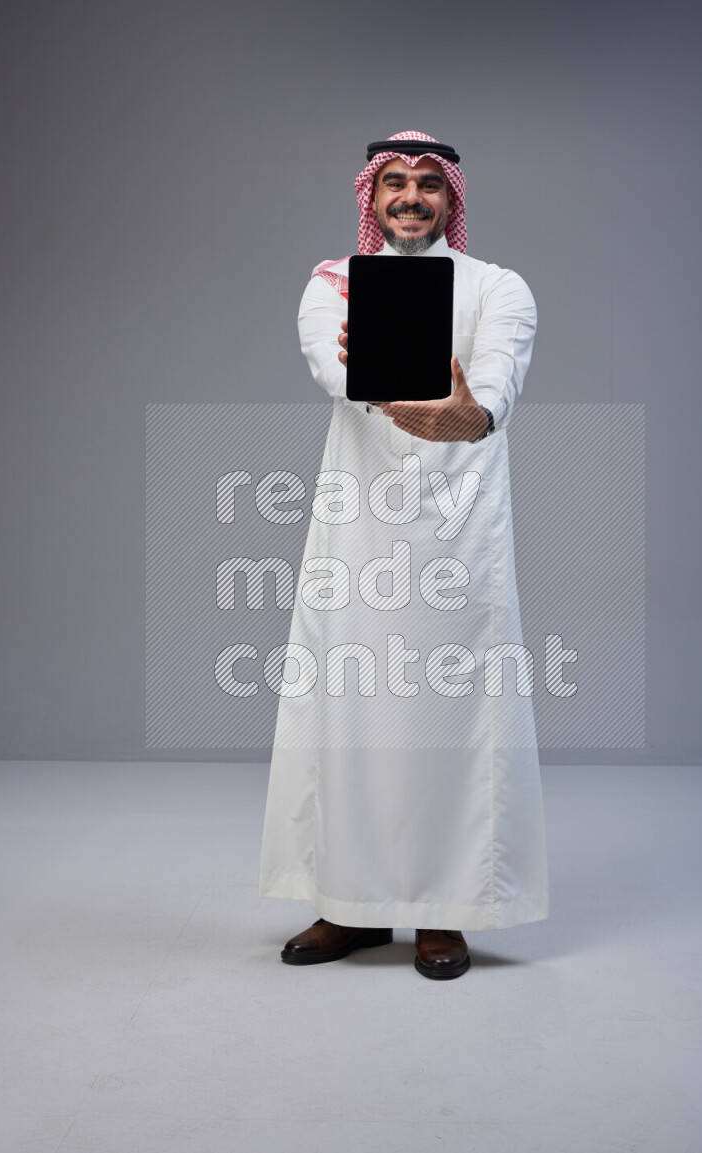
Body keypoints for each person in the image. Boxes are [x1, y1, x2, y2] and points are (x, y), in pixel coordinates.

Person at [258, 130, 549, 980]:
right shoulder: (331, 284)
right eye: (396, 182)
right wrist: (393, 389)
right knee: (348, 714)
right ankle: (347, 906)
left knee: (449, 718)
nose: (412, 196)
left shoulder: (500, 287)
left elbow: (496, 382)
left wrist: (469, 415)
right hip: (358, 532)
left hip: (460, 533)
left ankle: (442, 913)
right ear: (371, 196)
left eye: (430, 184)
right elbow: (332, 363)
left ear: (452, 200)